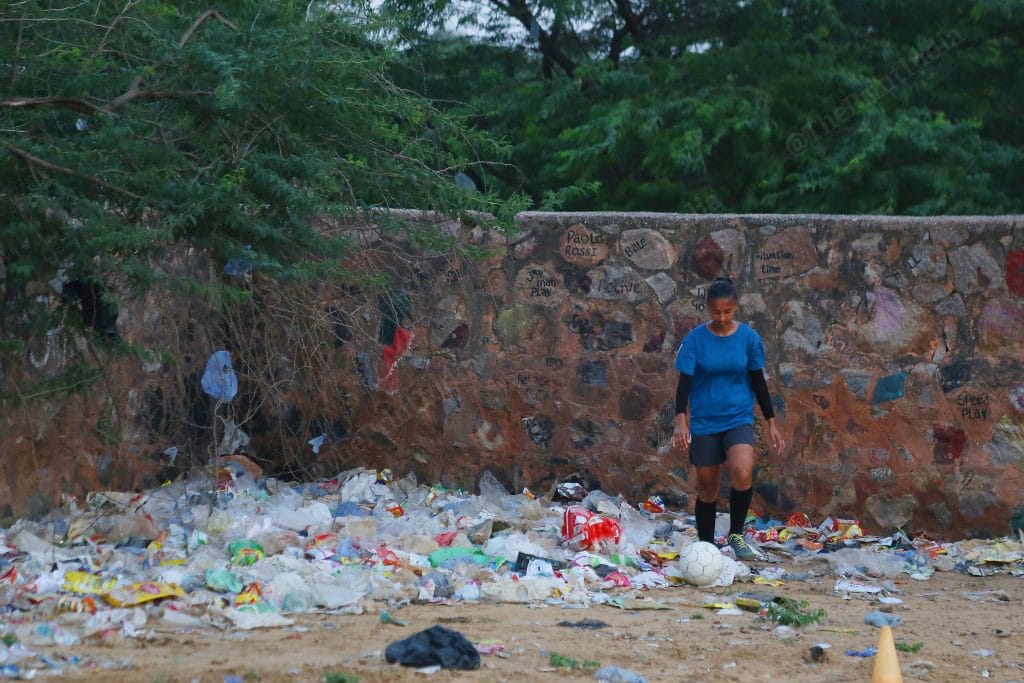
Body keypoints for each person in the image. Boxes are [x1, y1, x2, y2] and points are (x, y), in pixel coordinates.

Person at [671, 276, 784, 560]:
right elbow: (684, 383)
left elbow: (758, 380)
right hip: (706, 420)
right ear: (708, 309)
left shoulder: (748, 339)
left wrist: (771, 422)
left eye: (728, 311)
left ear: (735, 308)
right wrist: (680, 420)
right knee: (707, 487)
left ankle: (736, 536)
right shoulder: (695, 340)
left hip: (738, 417)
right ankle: (706, 547)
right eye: (716, 312)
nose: (722, 317)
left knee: (742, 471)